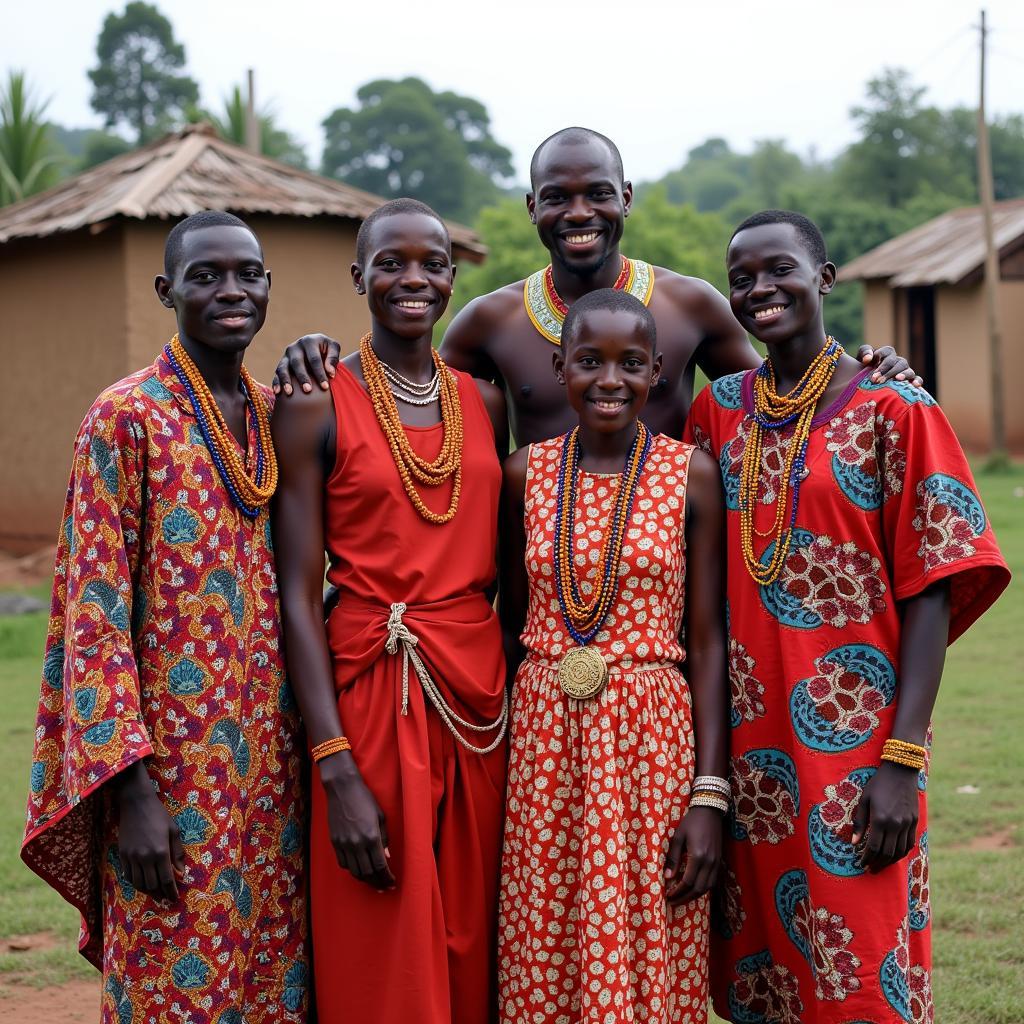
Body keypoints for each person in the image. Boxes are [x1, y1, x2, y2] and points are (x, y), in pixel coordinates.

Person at [682, 210, 1010, 1024]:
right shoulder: (717, 413)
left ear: (824, 278)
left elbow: (931, 586)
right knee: (769, 978)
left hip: (858, 745)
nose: (761, 289)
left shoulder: (895, 408)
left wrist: (902, 760)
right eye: (743, 278)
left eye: (780, 270)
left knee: (860, 969)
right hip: (751, 753)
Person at [22, 211, 309, 1023]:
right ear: (165, 291)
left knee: (272, 985)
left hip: (273, 779)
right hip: (172, 781)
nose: (230, 292)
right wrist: (132, 794)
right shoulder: (125, 418)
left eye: (247, 275)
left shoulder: (275, 411)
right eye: (205, 276)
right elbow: (94, 618)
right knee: (171, 982)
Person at [272, 128, 919, 443]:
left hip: (672, 577)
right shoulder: (488, 323)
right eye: (558, 197)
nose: (579, 213)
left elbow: (782, 397)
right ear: (531, 208)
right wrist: (320, 353)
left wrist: (870, 369)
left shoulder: (689, 304)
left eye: (597, 195)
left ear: (626, 199)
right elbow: (405, 401)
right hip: (546, 589)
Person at [272, 198, 510, 1024]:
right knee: (380, 929)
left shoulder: (485, 401)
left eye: (432, 263)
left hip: (480, 698)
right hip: (372, 691)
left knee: (471, 934)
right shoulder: (312, 401)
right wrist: (333, 762)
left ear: (452, 278)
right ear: (358, 277)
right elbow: (297, 596)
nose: (413, 279)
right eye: (391, 263)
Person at [498, 288, 729, 1023]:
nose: (609, 380)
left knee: (647, 926)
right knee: (548, 930)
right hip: (545, 743)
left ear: (658, 371)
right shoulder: (523, 473)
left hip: (651, 741)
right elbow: (508, 621)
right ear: (559, 366)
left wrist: (708, 796)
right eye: (589, 361)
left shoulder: (689, 473)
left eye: (631, 364)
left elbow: (706, 641)